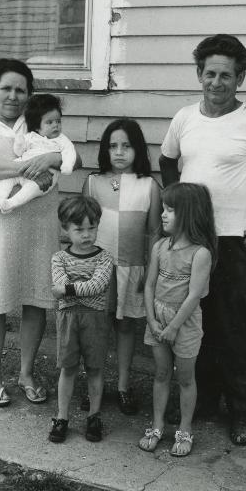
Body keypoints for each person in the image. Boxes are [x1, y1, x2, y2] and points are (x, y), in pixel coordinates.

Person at [159, 34, 246, 446]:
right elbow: (167, 160)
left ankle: (241, 411)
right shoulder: (184, 118)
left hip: (233, 244)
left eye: (227, 76)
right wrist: (177, 207)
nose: (217, 82)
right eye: (210, 74)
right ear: (199, 75)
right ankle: (200, 403)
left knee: (232, 329)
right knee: (193, 325)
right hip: (191, 242)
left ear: (240, 79)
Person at [0, 58, 80, 408]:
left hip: (41, 224)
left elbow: (71, 158)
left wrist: (53, 157)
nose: (13, 96)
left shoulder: (39, 126)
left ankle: (26, 372)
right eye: (6, 88)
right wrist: (34, 165)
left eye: (20, 90)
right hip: (0, 223)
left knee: (36, 299)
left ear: (29, 95)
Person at [82, 118, 161, 415]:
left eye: (126, 146)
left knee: (126, 327)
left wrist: (151, 273)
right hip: (98, 270)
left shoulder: (150, 186)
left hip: (133, 269)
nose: (119, 152)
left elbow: (154, 233)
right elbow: (83, 228)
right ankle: (95, 386)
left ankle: (124, 385)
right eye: (112, 146)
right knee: (97, 329)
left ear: (138, 150)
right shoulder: (93, 182)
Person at [139, 183, 216, 457]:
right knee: (160, 374)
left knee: (185, 378)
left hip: (184, 324)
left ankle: (184, 429)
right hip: (157, 319)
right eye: (163, 208)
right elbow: (148, 285)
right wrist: (151, 319)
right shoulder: (160, 246)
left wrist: (173, 327)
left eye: (170, 210)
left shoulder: (200, 254)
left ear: (190, 214)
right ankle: (157, 424)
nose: (163, 214)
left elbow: (194, 296)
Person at [49, 196, 114, 443]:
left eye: (92, 228)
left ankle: (94, 416)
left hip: (95, 320)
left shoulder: (105, 258)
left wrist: (68, 290)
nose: (86, 235)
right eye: (79, 229)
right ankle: (62, 417)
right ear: (66, 228)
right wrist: (72, 288)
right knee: (68, 368)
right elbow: (58, 283)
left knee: (95, 368)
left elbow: (98, 285)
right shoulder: (59, 258)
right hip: (68, 320)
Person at [0, 94, 76, 214]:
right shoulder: (32, 136)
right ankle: (0, 196)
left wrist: (66, 166)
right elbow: (19, 151)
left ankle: (11, 203)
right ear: (37, 126)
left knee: (31, 189)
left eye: (58, 121)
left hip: (46, 175)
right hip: (23, 167)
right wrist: (20, 142)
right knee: (7, 177)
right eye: (50, 122)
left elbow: (70, 152)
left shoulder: (62, 139)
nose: (56, 125)